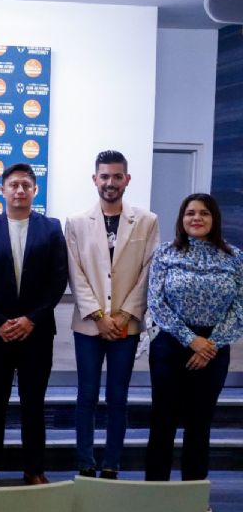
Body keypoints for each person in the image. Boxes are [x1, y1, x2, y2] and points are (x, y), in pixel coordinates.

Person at [65, 150, 159, 479]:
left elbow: (148, 272)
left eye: (117, 176)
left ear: (127, 180)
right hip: (89, 326)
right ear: (95, 179)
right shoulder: (76, 222)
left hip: (126, 327)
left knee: (118, 397)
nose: (110, 182)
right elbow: (75, 273)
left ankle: (111, 465)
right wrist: (98, 316)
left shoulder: (147, 221)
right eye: (104, 176)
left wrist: (123, 316)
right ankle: (85, 463)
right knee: (87, 395)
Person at [0, 163, 68, 485]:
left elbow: (58, 280)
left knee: (33, 404)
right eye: (13, 185)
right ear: (2, 190)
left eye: (26, 185)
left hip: (37, 333)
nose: (19, 190)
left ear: (34, 190)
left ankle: (34, 469)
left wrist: (32, 319)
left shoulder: (51, 228)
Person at [145, 194, 241, 497]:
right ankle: (154, 494)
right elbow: (156, 303)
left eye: (203, 213)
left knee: (199, 425)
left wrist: (210, 344)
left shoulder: (234, 257)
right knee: (163, 422)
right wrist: (191, 340)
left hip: (213, 349)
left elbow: (239, 308)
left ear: (214, 219)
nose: (196, 218)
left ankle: (193, 495)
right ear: (181, 219)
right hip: (170, 347)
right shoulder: (164, 253)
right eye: (190, 213)